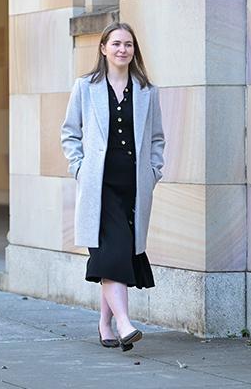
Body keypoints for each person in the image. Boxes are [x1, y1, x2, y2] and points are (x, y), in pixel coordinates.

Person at [60, 22, 165, 352]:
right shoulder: (86, 87)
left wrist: (153, 170)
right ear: (103, 48)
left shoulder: (147, 91)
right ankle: (124, 323)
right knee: (114, 250)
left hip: (133, 186)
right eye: (116, 43)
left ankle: (105, 323)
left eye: (129, 44)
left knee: (116, 255)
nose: (123, 49)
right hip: (98, 188)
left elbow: (157, 138)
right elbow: (69, 133)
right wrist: (79, 168)